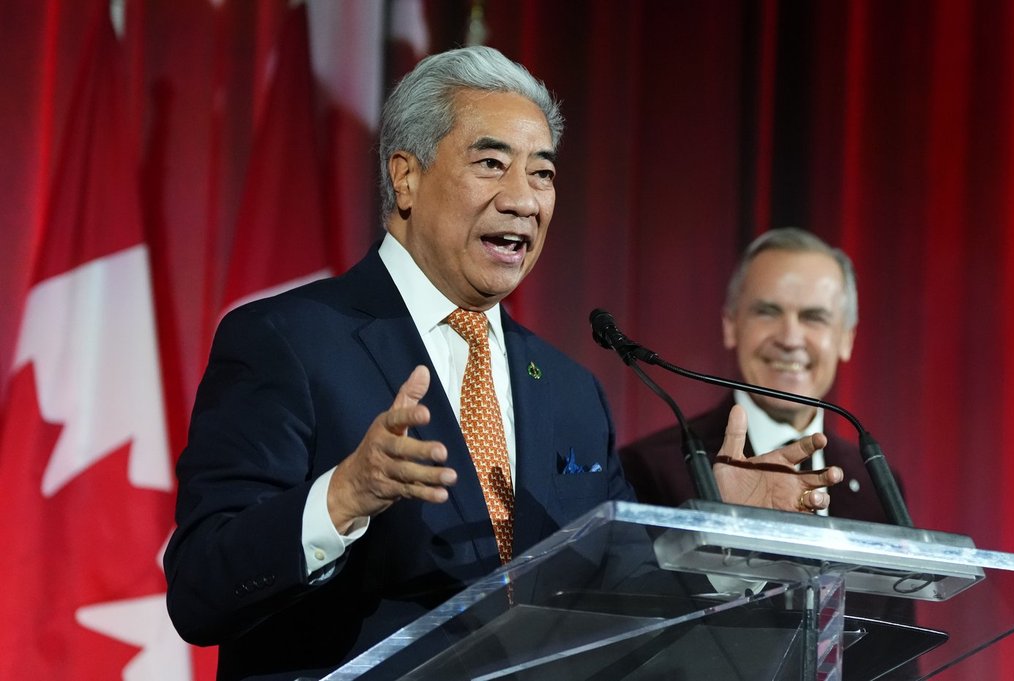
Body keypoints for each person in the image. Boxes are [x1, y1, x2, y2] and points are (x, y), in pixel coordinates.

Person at [163, 49, 841, 681]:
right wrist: (342, 497)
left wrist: (712, 532)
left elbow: (616, 598)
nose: (524, 197)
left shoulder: (572, 390)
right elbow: (199, 589)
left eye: (542, 171)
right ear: (406, 175)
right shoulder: (289, 340)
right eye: (492, 163)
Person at [620, 227, 892, 523]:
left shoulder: (877, 484)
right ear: (731, 326)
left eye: (814, 317)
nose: (790, 339)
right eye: (768, 312)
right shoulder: (651, 468)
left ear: (846, 339)